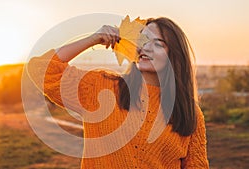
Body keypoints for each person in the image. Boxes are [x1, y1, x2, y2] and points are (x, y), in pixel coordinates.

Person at [27, 16, 209, 168]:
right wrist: (93, 39)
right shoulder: (100, 87)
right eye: (143, 40)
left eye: (158, 44)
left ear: (174, 55)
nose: (145, 47)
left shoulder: (190, 114)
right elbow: (40, 69)